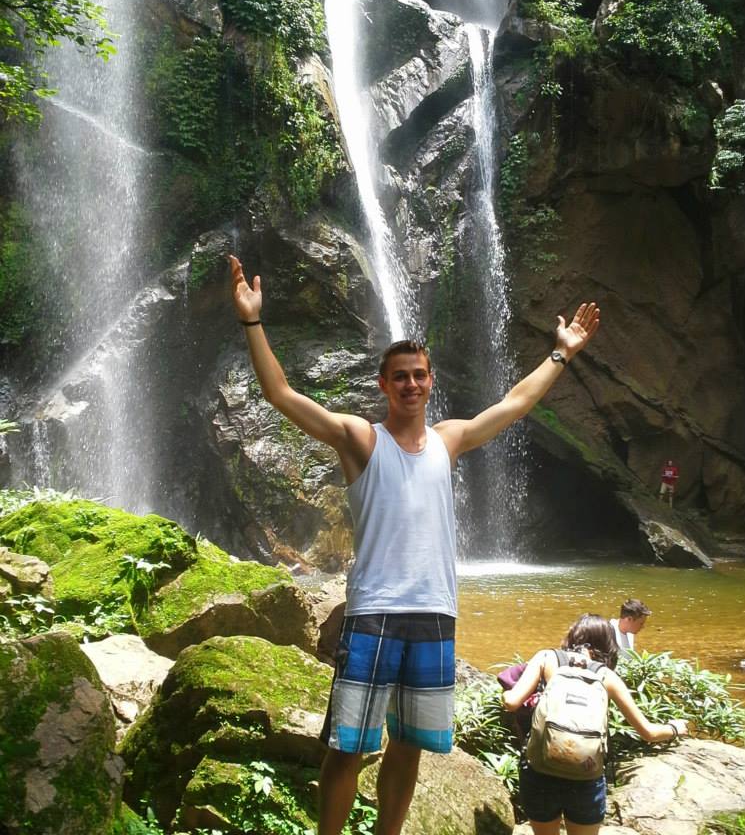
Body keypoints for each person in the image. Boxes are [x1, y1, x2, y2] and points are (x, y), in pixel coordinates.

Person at [229, 254, 600, 835]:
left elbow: (514, 405)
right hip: (375, 612)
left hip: (433, 615)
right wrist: (253, 322)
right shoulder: (360, 438)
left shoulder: (448, 441)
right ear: (383, 384)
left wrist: (561, 353)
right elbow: (279, 393)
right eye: (399, 375)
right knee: (348, 748)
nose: (410, 384)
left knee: (408, 747)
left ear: (431, 383)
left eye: (419, 375)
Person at [503, 614, 688, 835]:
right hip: (585, 776)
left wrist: (505, 692)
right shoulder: (607, 676)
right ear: (608, 644)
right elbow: (648, 732)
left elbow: (512, 702)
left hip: (540, 771)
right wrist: (676, 728)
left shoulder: (546, 657)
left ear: (573, 635)